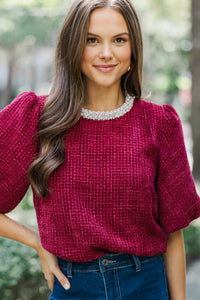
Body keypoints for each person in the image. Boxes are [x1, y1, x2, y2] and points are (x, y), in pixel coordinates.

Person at [0, 0, 200, 299]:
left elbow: (173, 232)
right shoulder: (35, 117)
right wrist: (37, 241)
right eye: (91, 40)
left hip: (147, 285)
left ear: (133, 51)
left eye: (119, 40)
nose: (106, 53)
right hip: (73, 287)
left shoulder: (159, 123)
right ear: (73, 48)